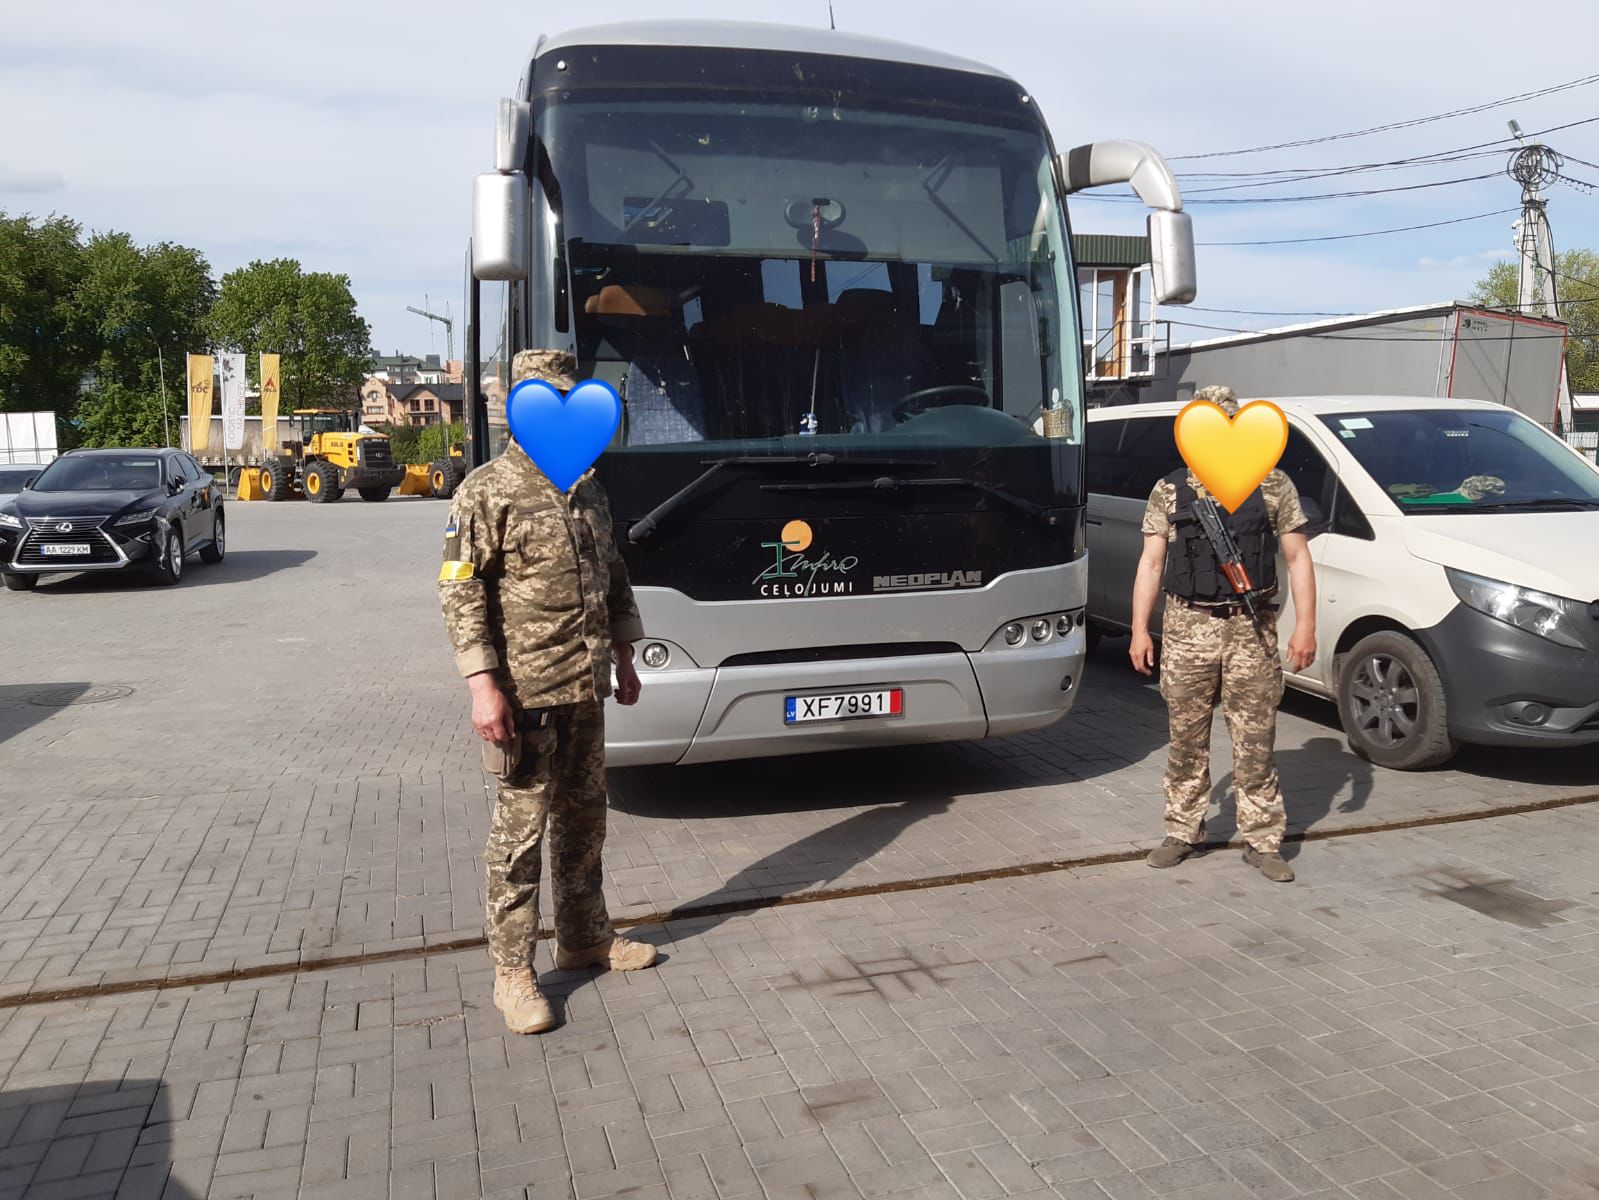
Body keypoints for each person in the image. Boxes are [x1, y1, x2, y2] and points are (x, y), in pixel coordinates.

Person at [438, 348, 657, 1036]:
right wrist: (483, 686)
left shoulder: (590, 491)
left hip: (584, 684)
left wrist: (624, 654)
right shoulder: (486, 491)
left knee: (585, 820)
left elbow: (613, 574)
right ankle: (512, 972)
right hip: (524, 691)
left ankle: (585, 938)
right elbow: (460, 590)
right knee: (520, 836)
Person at [1128, 385, 1318, 883]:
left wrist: (1306, 627)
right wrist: (1139, 630)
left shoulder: (1273, 484)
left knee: (1256, 741)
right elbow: (1151, 563)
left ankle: (1263, 839)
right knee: (1185, 740)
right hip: (1186, 627)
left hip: (1250, 630)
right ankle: (1182, 830)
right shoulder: (1170, 489)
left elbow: (1298, 557)